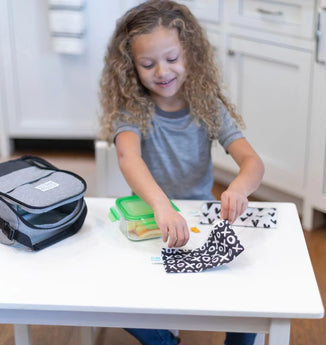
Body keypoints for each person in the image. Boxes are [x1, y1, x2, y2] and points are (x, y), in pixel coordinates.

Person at [99, 1, 264, 344]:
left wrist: (238, 189)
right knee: (111, 298)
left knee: (250, 303)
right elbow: (129, 157)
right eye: (147, 64)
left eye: (171, 59)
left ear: (191, 54)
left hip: (198, 217)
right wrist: (162, 206)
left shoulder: (207, 105)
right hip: (148, 219)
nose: (161, 72)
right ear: (131, 67)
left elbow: (252, 162)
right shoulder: (133, 109)